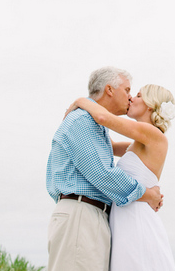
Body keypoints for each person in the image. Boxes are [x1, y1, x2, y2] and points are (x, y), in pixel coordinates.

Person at [46, 67, 163, 271]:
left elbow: (118, 148)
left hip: (93, 215)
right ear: (109, 89)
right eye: (127, 90)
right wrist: (147, 194)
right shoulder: (82, 120)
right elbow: (103, 175)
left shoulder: (95, 125)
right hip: (81, 215)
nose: (129, 97)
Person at [66, 83, 175, 271]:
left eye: (139, 95)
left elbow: (102, 117)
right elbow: (106, 143)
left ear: (150, 105)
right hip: (124, 218)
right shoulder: (137, 142)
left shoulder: (153, 134)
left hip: (136, 219)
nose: (131, 98)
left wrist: (81, 101)